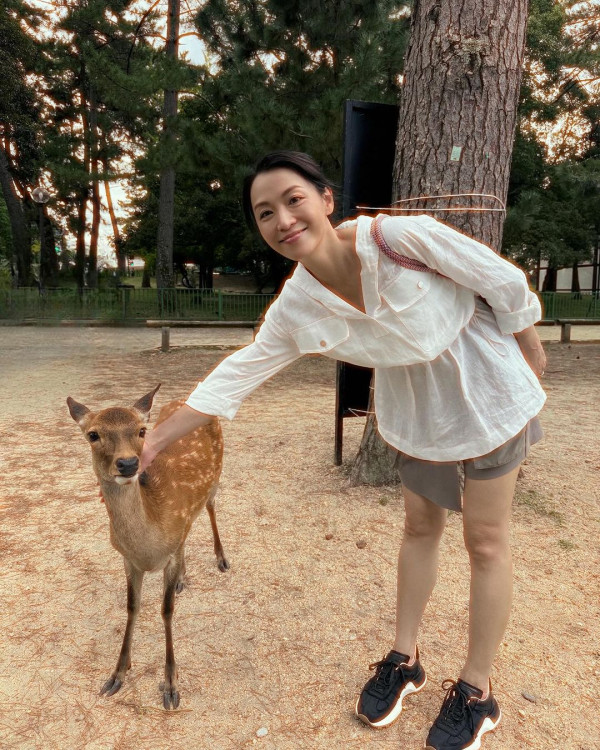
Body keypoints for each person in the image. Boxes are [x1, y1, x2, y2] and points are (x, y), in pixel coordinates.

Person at [140, 151, 546, 750]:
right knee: (419, 528)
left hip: (485, 389)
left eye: (293, 199)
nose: (283, 219)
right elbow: (239, 372)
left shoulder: (397, 238)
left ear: (326, 199)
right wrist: (153, 441)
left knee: (485, 540)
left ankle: (477, 691)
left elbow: (498, 278)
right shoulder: (297, 305)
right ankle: (404, 659)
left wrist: (530, 351)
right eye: (265, 213)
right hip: (417, 411)